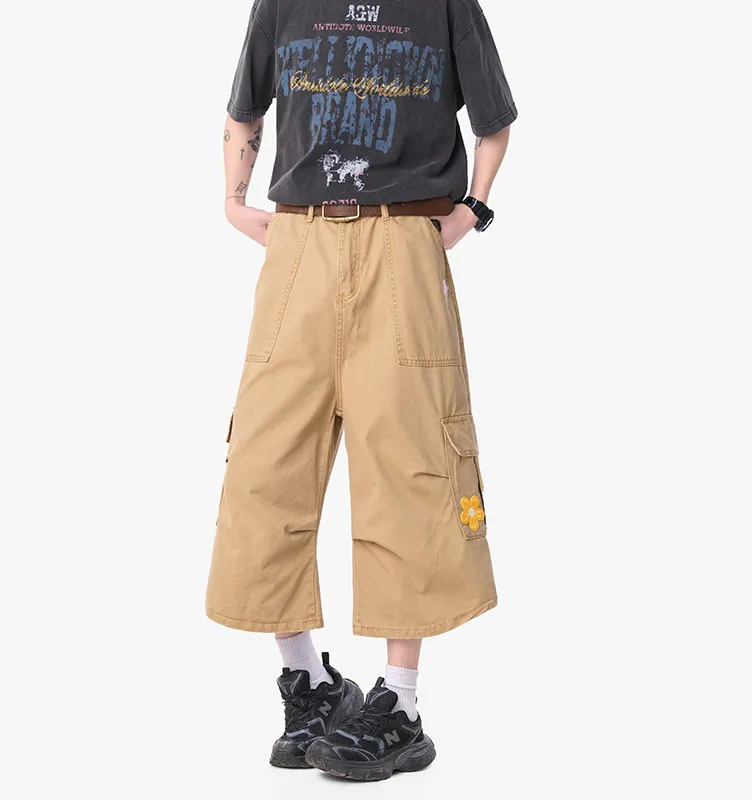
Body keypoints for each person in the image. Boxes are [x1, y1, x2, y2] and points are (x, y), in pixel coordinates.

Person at [206, 0, 516, 781]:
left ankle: (400, 705)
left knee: (408, 464)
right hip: (299, 242)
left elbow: (495, 123)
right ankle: (309, 683)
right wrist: (235, 203)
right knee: (265, 466)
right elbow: (243, 110)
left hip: (401, 241)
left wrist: (471, 211)